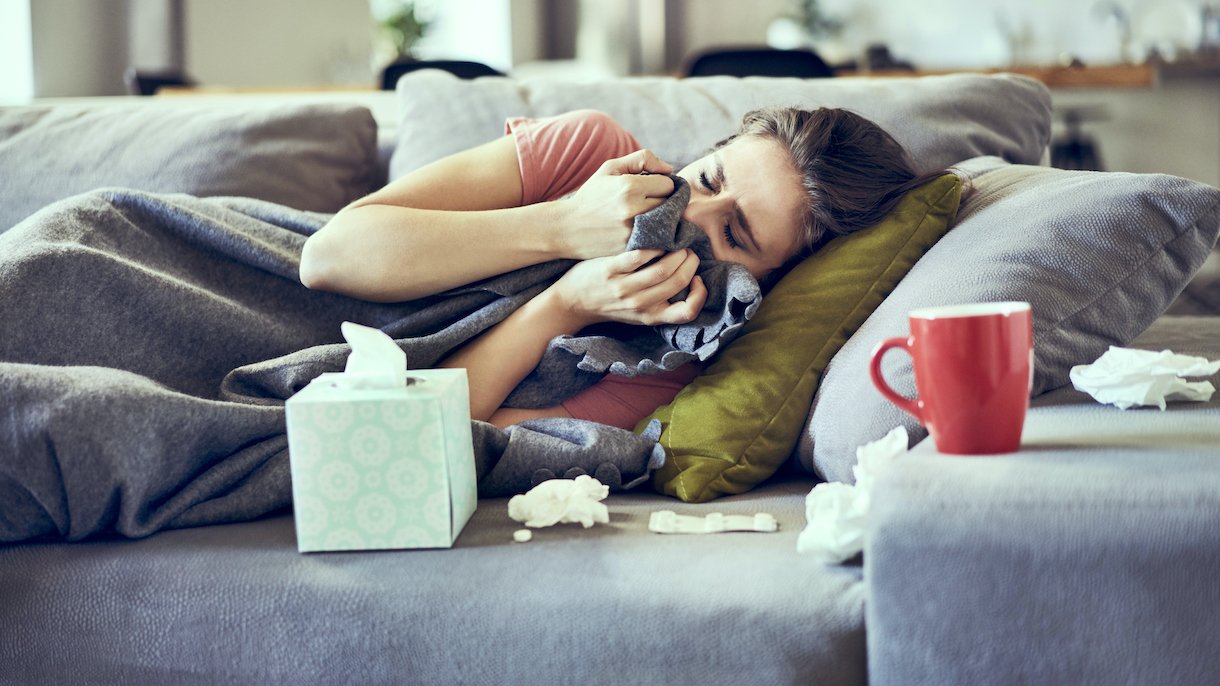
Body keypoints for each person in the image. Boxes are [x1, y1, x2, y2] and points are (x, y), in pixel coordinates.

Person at [299, 107, 938, 431]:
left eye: (734, 233)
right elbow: (328, 255)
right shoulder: (589, 148)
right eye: (709, 178)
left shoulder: (668, 365)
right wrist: (561, 224)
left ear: (767, 283)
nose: (694, 211)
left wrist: (565, 306)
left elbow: (422, 435)